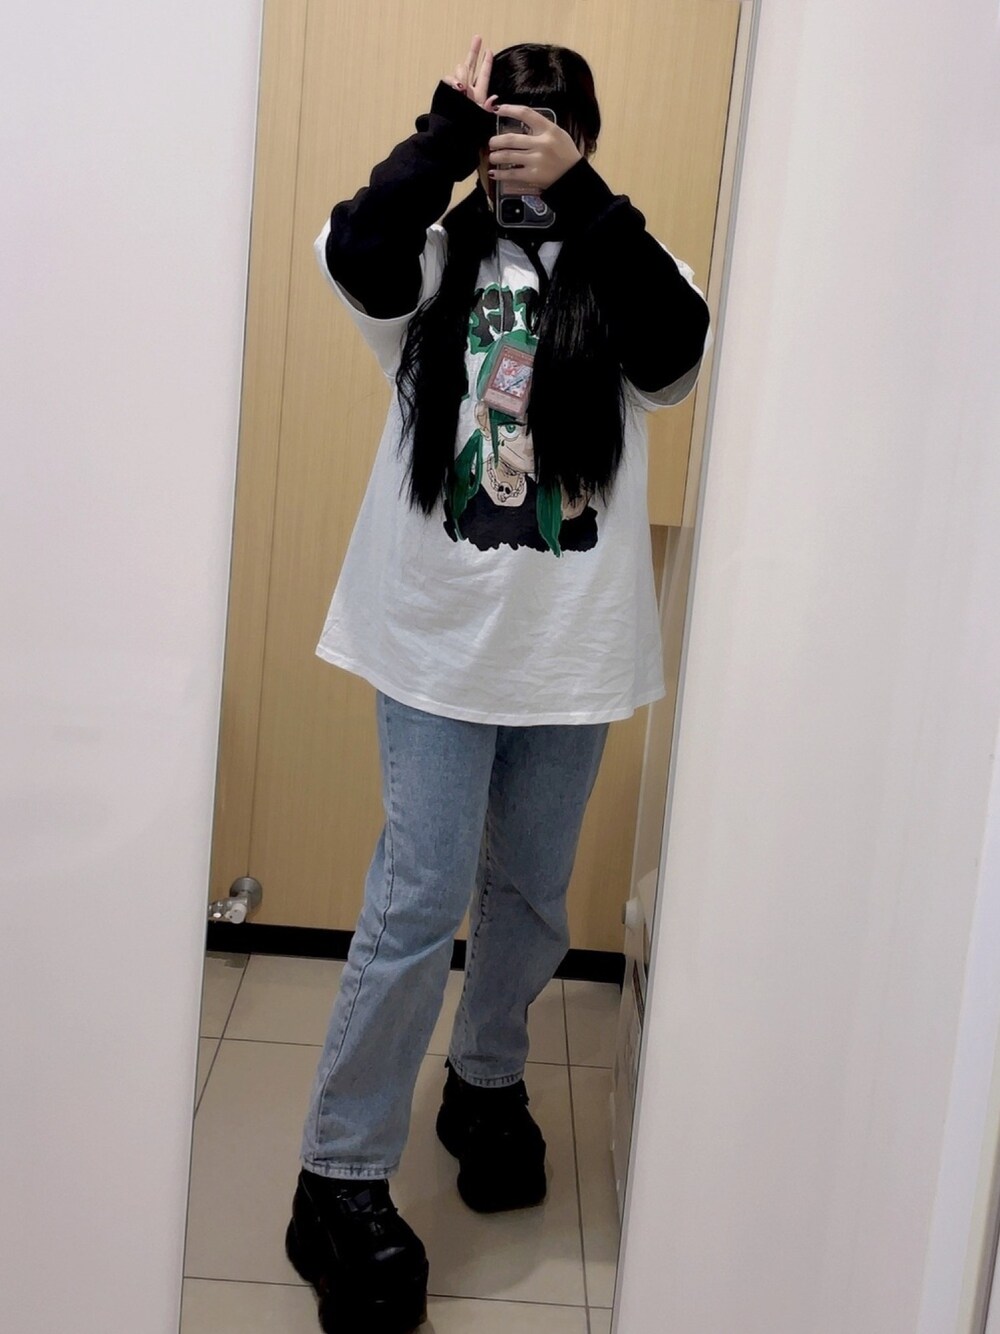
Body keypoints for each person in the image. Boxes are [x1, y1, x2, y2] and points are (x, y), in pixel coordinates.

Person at [284, 35, 711, 1334]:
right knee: (417, 899)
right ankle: (339, 1174)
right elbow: (357, 247)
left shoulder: (633, 264)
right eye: (503, 121)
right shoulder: (429, 261)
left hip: (568, 649)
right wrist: (438, 141)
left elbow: (675, 357)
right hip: (432, 640)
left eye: (549, 121)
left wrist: (584, 198)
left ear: (586, 135)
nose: (524, 141)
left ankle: (486, 1080)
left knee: (527, 895)